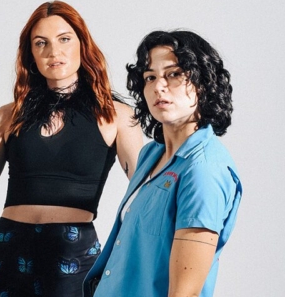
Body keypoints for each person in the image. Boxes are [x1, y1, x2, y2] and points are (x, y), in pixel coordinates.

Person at [0, 1, 144, 296]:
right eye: (42, 43)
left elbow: (144, 191)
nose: (54, 52)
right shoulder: (8, 115)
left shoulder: (115, 115)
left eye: (64, 39)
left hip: (73, 252)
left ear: (82, 44)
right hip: (10, 247)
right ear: (31, 55)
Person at [84, 30, 242, 297]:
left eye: (174, 74)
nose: (159, 86)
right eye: (150, 77)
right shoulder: (150, 155)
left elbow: (185, 292)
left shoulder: (203, 169)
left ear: (203, 82)